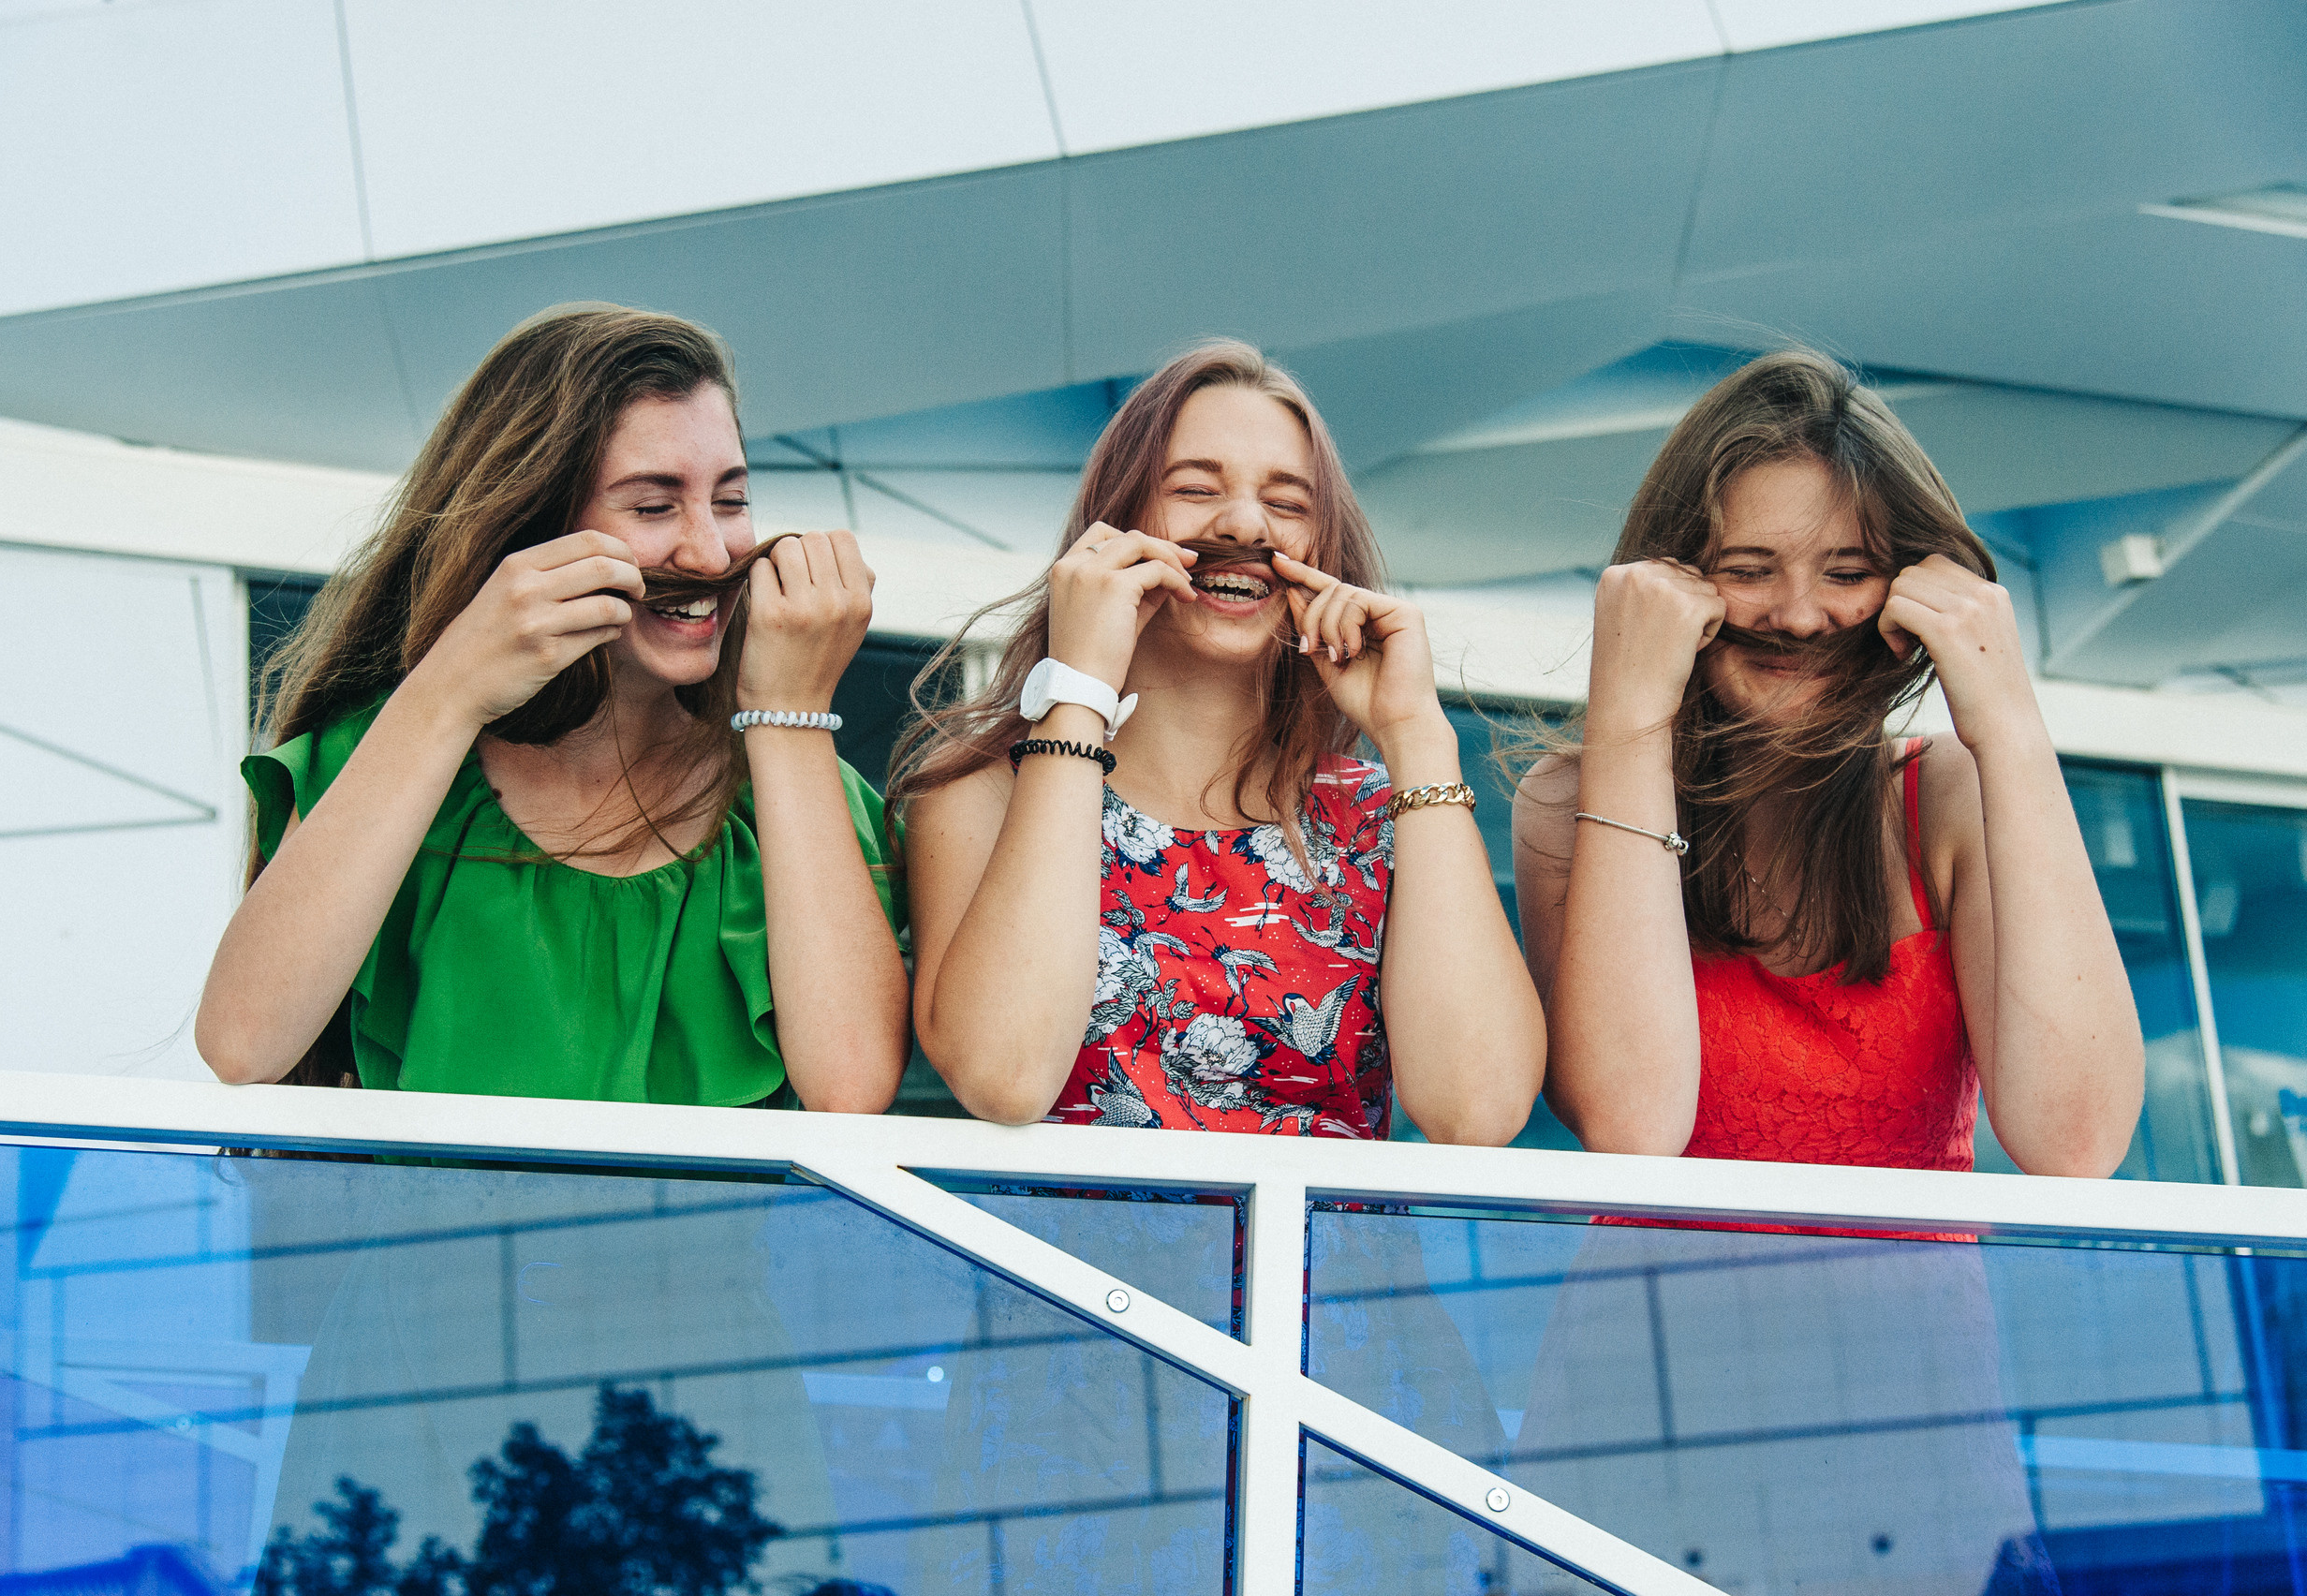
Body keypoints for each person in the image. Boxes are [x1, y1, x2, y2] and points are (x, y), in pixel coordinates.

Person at [196, 303, 906, 1110]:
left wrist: (785, 713)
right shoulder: (373, 756)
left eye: (732, 500)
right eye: (652, 505)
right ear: (527, 521)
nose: (711, 552)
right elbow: (243, 1043)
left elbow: (851, 1091)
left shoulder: (805, 789)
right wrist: (450, 686)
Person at [895, 340, 1545, 1142]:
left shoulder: (1379, 815)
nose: (1243, 523)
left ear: (1324, 552)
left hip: (1332, 1271)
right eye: (1196, 489)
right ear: (1116, 524)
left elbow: (1479, 1111)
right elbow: (1005, 1076)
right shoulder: (981, 795)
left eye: (1289, 504)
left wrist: (1417, 736)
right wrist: (1079, 689)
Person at [1514, 347, 2143, 1175]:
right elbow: (1631, 1125)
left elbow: (2077, 1142)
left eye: (1846, 572)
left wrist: (2009, 724)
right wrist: (1631, 717)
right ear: (1667, 581)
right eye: (1748, 570)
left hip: (1916, 1306)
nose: (1800, 616)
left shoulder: (1943, 794)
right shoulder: (1566, 801)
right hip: (1653, 1302)